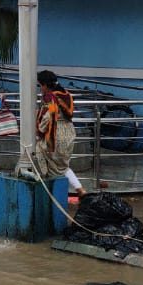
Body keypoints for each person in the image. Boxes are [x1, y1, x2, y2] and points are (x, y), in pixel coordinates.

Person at [33, 69, 87, 200]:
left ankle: (52, 197)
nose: (40, 89)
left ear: (45, 85)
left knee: (46, 161)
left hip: (55, 135)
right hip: (68, 133)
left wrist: (39, 130)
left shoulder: (50, 97)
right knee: (62, 166)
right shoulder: (66, 94)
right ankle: (80, 190)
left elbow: (48, 118)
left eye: (40, 85)